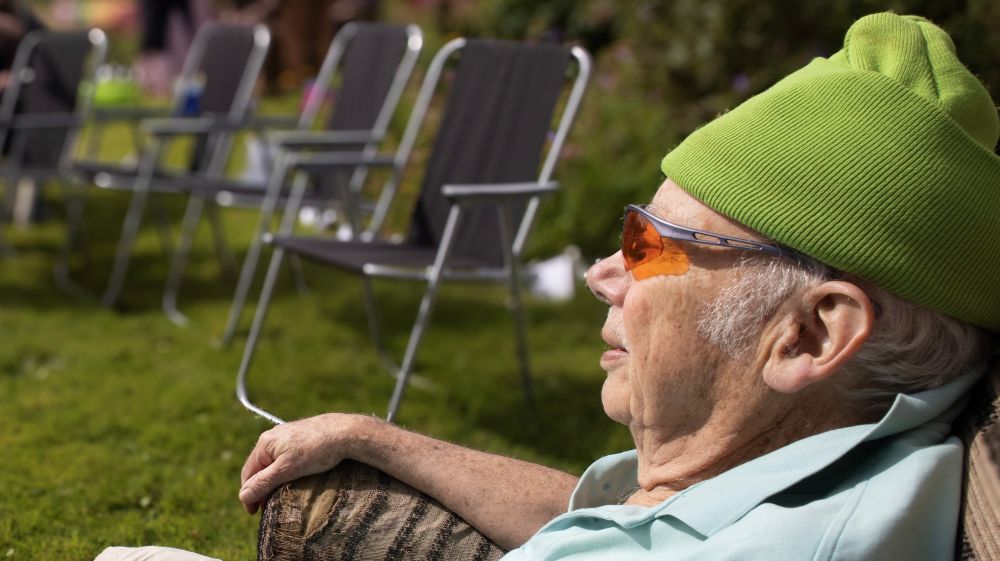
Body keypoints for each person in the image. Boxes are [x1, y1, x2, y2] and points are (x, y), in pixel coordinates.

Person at [95, 12, 999, 561]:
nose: (604, 273)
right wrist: (375, 436)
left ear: (808, 336)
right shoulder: (830, 454)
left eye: (649, 245)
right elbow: (612, 515)